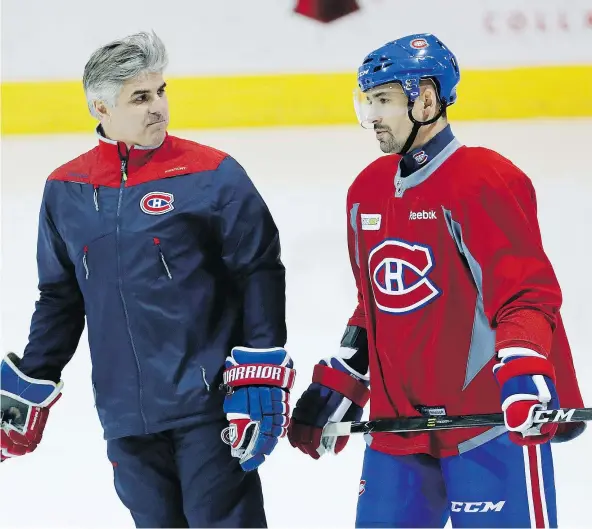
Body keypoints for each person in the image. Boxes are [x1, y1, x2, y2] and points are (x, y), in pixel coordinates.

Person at [288, 33, 586, 528]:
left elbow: (524, 294)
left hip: (488, 427)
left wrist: (525, 368)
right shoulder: (367, 190)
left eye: (383, 99)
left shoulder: (485, 179)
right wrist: (341, 384)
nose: (373, 114)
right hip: (398, 430)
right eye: (369, 100)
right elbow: (373, 307)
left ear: (426, 100)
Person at [0, 31, 295, 528]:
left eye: (161, 92)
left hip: (209, 407)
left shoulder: (213, 175)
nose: (158, 107)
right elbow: (60, 296)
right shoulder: (66, 189)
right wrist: (33, 377)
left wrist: (261, 361)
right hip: (124, 415)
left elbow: (259, 270)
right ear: (101, 107)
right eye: (140, 97)